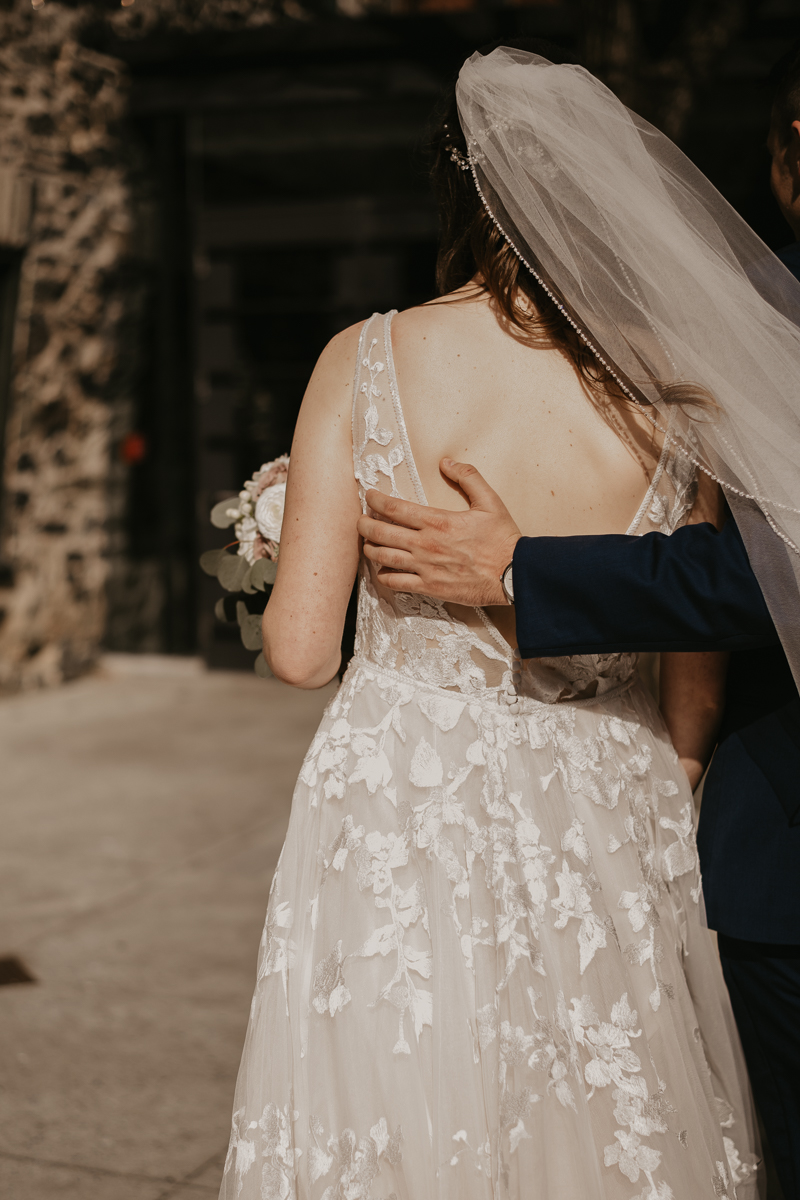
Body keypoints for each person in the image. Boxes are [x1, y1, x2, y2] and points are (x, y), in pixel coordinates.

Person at [219, 44, 763, 1200]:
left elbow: (302, 653)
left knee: (408, 1098)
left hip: (409, 793)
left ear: (459, 200)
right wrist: (661, 782)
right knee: (604, 1115)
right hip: (608, 782)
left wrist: (279, 540)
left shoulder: (364, 357)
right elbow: (693, 661)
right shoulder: (677, 387)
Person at [358, 43, 800, 1200]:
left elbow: (767, 574)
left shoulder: (754, 327)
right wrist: (684, 756)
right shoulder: (680, 371)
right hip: (638, 779)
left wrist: (519, 571)